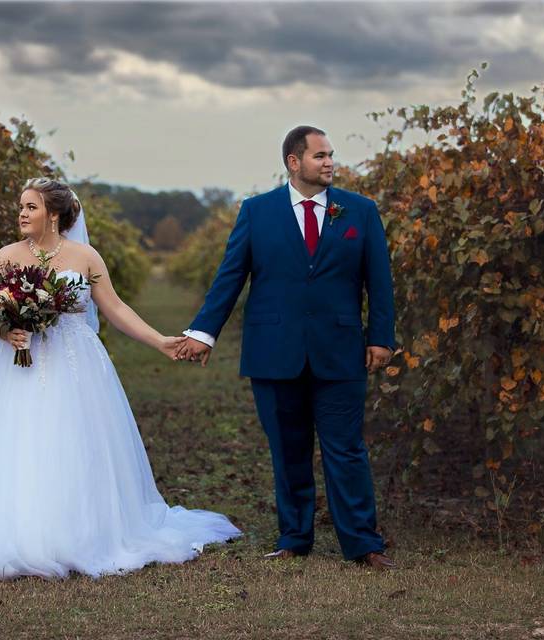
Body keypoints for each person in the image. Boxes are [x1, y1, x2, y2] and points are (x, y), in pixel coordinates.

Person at [0, 177, 241, 580]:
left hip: (76, 366)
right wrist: (5, 331)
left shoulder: (85, 257)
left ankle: (75, 533)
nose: (22, 214)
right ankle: (11, 533)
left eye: (31, 207)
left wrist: (160, 341)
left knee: (71, 444)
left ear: (54, 214)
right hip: (14, 367)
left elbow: (115, 307)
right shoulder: (7, 256)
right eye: (21, 207)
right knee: (15, 441)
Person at [176, 126, 396, 570]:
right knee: (288, 449)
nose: (329, 162)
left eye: (331, 155)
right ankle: (294, 537)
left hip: (340, 350)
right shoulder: (257, 212)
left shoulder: (360, 211)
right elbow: (230, 276)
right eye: (320, 156)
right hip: (274, 350)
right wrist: (203, 332)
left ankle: (363, 543)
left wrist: (380, 336)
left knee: (346, 448)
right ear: (294, 162)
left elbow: (380, 281)